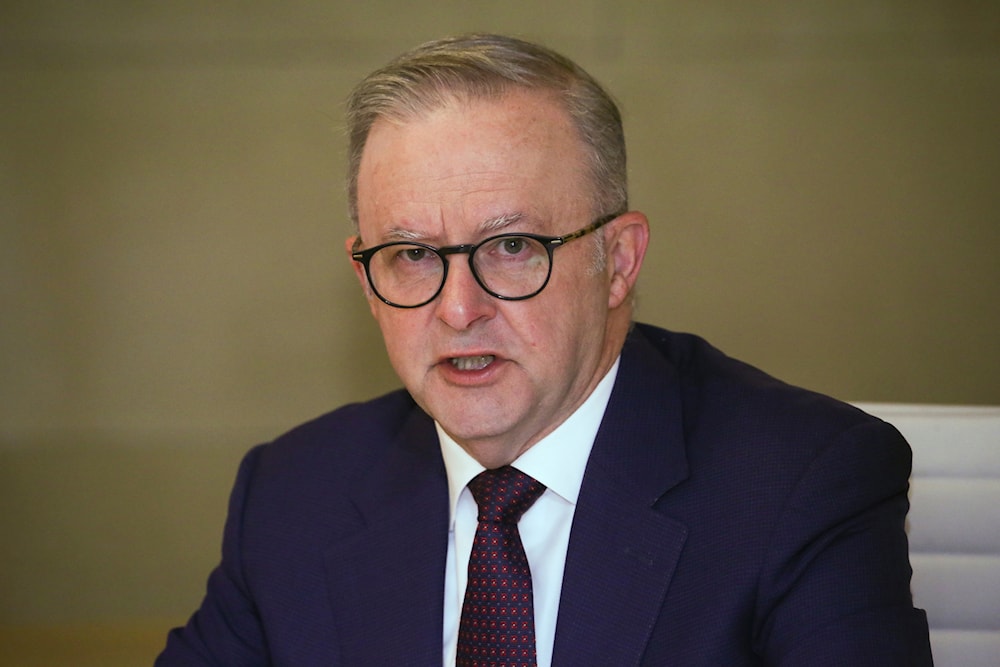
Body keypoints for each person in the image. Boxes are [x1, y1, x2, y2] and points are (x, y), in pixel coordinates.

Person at [157, 33, 933, 666]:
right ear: (365, 276)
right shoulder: (294, 495)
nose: (459, 309)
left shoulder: (802, 483)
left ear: (618, 262)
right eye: (413, 255)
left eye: (513, 245)